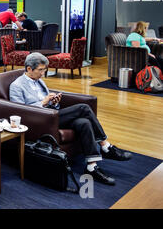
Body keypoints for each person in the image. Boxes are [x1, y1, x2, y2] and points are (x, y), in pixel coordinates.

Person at [9, 52, 132, 185]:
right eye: (40, 70)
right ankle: (105, 146)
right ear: (28, 69)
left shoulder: (39, 81)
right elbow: (20, 112)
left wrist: (54, 102)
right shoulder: (16, 86)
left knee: (83, 122)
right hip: (40, 121)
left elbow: (49, 103)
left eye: (45, 70)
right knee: (83, 108)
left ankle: (92, 167)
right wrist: (43, 103)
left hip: (52, 114)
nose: (43, 73)